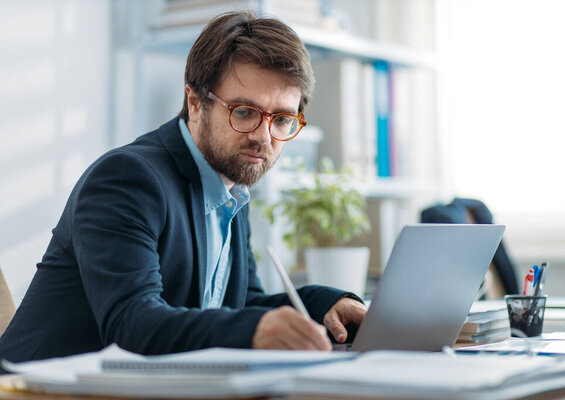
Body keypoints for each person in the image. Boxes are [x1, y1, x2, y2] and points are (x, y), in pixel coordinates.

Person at [0, 11, 367, 363]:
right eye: (243, 111)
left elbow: (240, 305)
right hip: (34, 389)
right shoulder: (127, 179)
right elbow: (132, 324)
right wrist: (252, 330)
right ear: (195, 103)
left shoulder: (232, 181)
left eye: (282, 119)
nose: (263, 137)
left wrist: (324, 306)